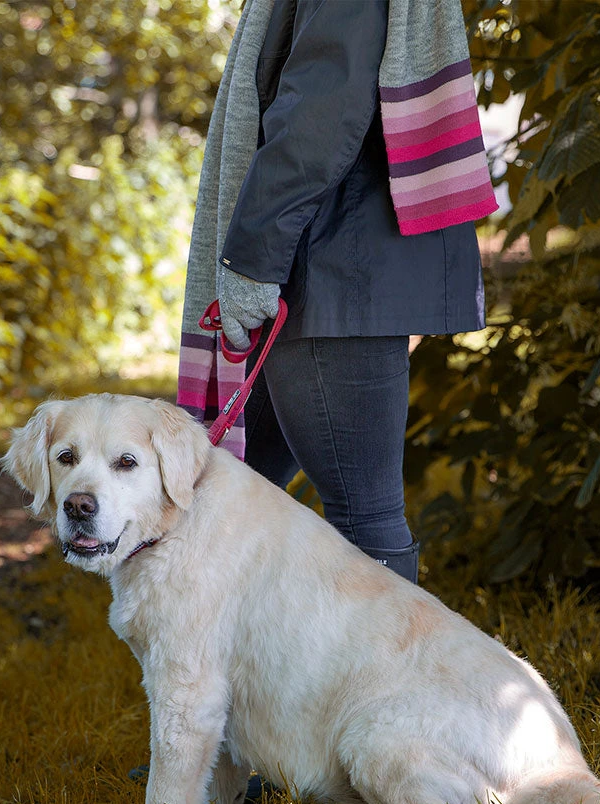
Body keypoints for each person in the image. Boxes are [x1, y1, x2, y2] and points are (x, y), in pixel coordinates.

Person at [177, 0, 497, 584]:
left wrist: (251, 260)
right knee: (216, 491)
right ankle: (223, 644)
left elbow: (319, 110)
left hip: (330, 270)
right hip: (327, 263)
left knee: (364, 521)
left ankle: (390, 654)